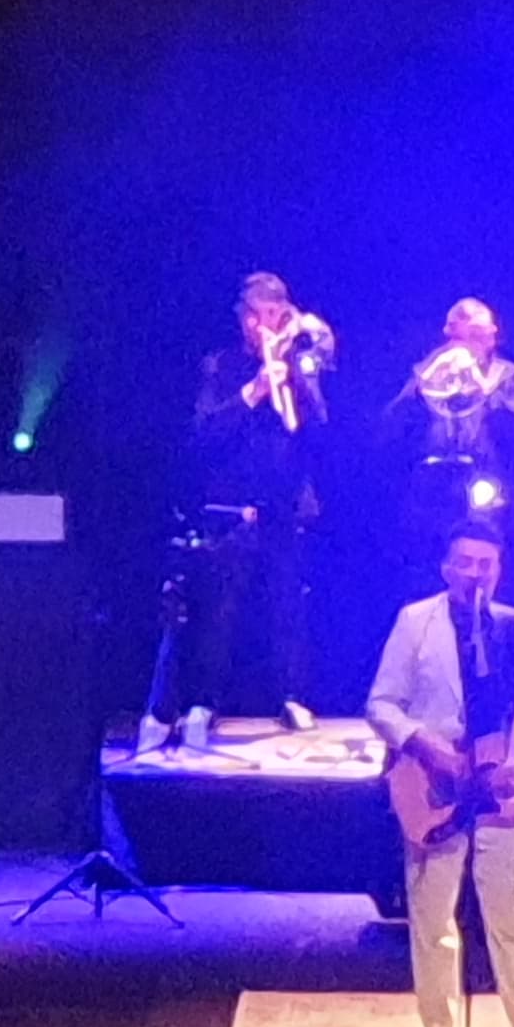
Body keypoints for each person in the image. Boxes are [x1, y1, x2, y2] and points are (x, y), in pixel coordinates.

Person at [365, 521, 514, 1027]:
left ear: (498, 569)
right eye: (465, 562)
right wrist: (426, 746)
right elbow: (381, 704)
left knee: (510, 912)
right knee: (433, 913)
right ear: (446, 566)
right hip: (435, 785)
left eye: (485, 563)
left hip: (499, 785)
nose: (475, 573)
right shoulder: (416, 622)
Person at [187, 272, 333, 715]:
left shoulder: (302, 364)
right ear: (242, 318)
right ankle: (204, 703)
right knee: (220, 607)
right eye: (254, 315)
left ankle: (293, 697)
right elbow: (203, 434)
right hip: (233, 504)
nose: (262, 325)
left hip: (287, 503)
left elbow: (319, 428)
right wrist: (253, 392)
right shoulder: (220, 366)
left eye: (273, 315)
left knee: (288, 604)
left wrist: (296, 379)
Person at [385, 296, 514, 554]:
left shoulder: (513, 377)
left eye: (476, 336)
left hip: (486, 489)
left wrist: (484, 389)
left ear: (491, 337)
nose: (466, 345)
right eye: (459, 337)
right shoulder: (427, 373)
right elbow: (389, 428)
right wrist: (424, 382)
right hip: (430, 491)